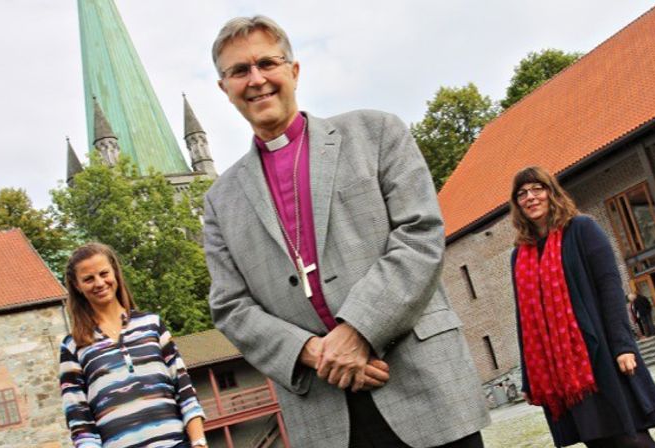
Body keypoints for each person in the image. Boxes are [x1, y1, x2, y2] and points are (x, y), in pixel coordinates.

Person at [202, 15, 490, 448]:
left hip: (418, 380)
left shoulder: (376, 133)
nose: (256, 79)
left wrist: (357, 331)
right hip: (321, 409)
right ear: (225, 89)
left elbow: (419, 234)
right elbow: (229, 306)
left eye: (267, 63)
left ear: (294, 71)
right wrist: (313, 352)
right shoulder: (220, 201)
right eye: (239, 71)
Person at [509, 167, 655, 448]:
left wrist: (624, 346)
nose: (530, 197)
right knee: (596, 440)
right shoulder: (520, 255)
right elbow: (524, 318)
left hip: (599, 354)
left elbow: (609, 288)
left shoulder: (582, 229)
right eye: (522, 193)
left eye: (537, 189)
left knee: (629, 438)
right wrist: (527, 377)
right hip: (559, 367)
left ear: (552, 193)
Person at [59, 243, 208, 448]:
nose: (99, 283)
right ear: (77, 286)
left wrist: (199, 442)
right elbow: (80, 424)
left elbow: (185, 391)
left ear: (115, 273)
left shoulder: (152, 325)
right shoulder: (73, 347)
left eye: (104, 273)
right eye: (88, 279)